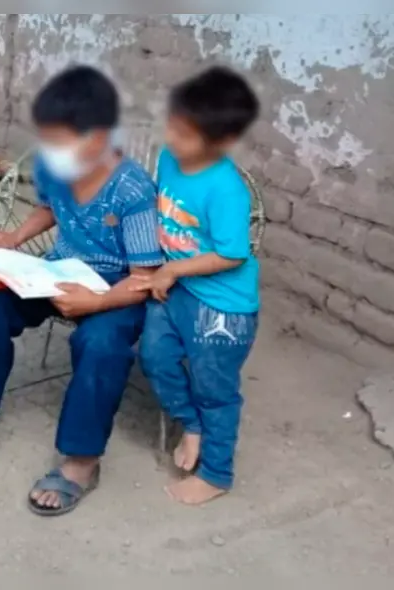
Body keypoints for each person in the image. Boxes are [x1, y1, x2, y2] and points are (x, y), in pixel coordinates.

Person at [0, 65, 163, 516]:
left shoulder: (132, 189)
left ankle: (82, 460)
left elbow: (145, 280)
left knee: (99, 343)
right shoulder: (52, 163)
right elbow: (49, 208)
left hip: (118, 289)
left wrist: (95, 302)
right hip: (58, 272)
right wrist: (14, 240)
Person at [135, 66, 261, 506]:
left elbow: (232, 254)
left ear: (220, 141)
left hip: (221, 309)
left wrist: (171, 271)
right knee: (154, 356)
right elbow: (161, 207)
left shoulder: (225, 188)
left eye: (185, 133)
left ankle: (217, 474)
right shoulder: (171, 159)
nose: (171, 138)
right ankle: (192, 425)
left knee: (216, 390)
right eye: (171, 124)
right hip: (180, 289)